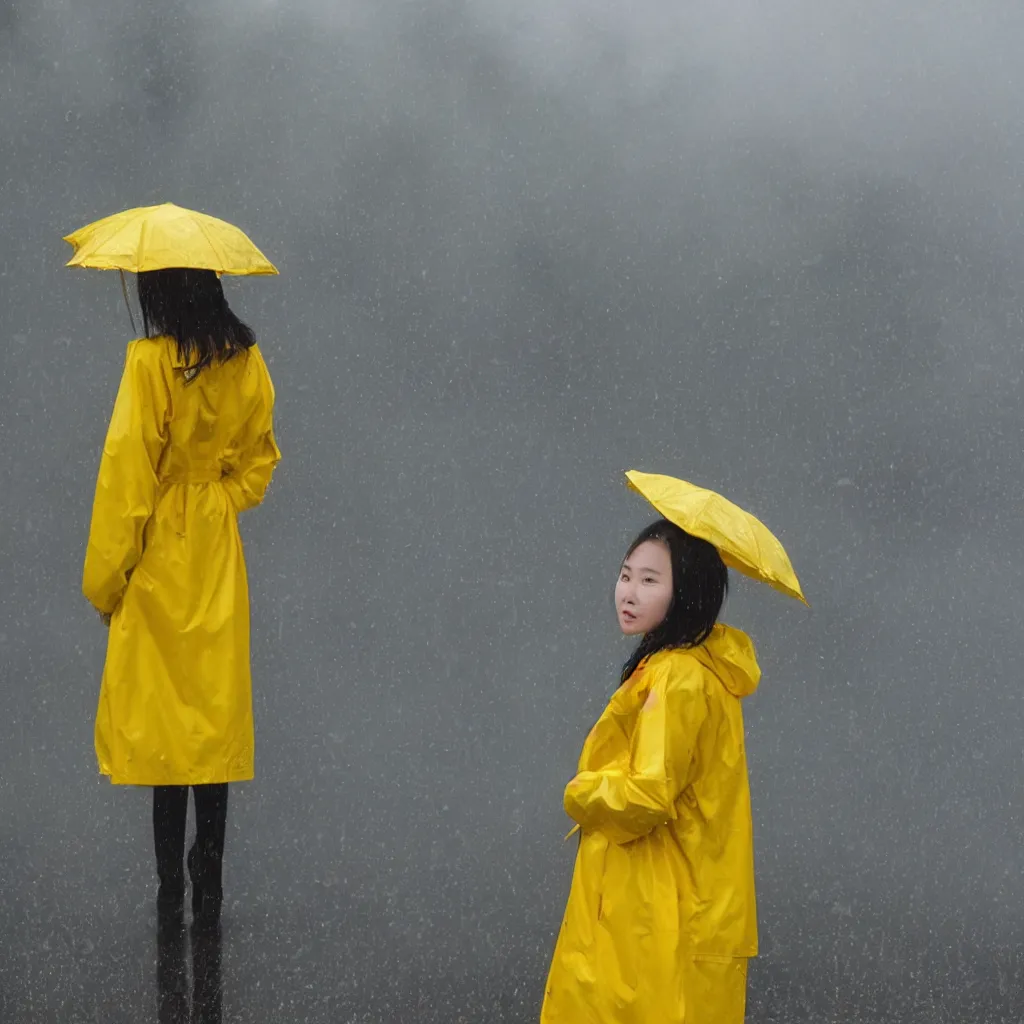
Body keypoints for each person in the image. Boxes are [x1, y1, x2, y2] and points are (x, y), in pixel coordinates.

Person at [83, 267, 281, 922]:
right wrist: (221, 496)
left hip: (161, 549)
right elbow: (261, 458)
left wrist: (106, 578)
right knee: (212, 713)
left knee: (168, 722)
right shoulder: (245, 359)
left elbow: (127, 472)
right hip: (216, 549)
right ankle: (211, 874)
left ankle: (170, 885)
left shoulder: (147, 364)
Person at [540, 518, 761, 1024]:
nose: (629, 592)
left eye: (650, 580)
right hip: (677, 903)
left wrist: (582, 792)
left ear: (688, 593)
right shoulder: (692, 667)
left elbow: (647, 796)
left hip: (658, 909)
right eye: (626, 574)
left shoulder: (678, 677)